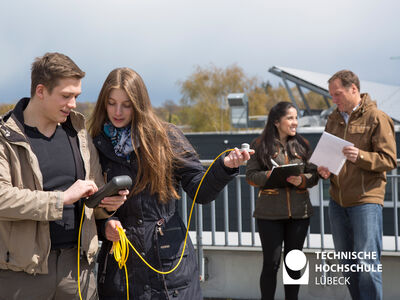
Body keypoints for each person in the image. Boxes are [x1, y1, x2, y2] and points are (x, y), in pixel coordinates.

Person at [87, 67, 251, 300]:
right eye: (111, 103)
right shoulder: (94, 143)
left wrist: (224, 167)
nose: (118, 111)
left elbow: (200, 191)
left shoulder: (166, 137)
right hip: (120, 270)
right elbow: (89, 206)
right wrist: (106, 226)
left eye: (127, 104)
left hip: (170, 267)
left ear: (139, 103)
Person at [0, 52, 128, 300]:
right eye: (66, 96)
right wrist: (61, 199)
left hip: (78, 269)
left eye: (76, 96)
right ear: (41, 91)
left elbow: (92, 196)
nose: (73, 104)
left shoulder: (78, 133)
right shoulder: (5, 137)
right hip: (21, 272)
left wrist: (107, 206)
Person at [317, 70, 397, 300]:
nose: (334, 99)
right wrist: (323, 169)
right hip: (337, 200)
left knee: (366, 262)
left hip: (365, 201)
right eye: (331, 94)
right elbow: (329, 154)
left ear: (354, 89)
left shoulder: (377, 118)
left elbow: (389, 160)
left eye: (338, 93)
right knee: (347, 263)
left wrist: (359, 156)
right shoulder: (333, 118)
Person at [245, 101, 318, 300]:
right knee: (271, 263)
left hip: (300, 213)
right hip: (269, 214)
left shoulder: (303, 144)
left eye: (296, 118)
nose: (295, 122)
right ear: (277, 121)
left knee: (294, 264)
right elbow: (250, 176)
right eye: (290, 118)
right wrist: (270, 175)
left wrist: (302, 179)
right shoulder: (259, 145)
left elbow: (314, 175)